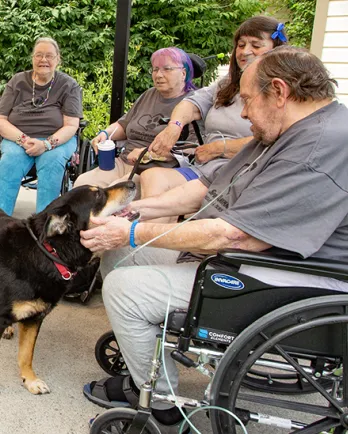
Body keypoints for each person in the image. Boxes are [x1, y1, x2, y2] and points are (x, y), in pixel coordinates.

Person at [81, 46, 348, 432]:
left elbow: (236, 235)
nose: (242, 113)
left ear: (279, 91)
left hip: (287, 278)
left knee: (124, 287)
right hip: (249, 261)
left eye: (249, 100)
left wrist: (134, 231)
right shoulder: (280, 132)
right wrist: (138, 212)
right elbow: (206, 188)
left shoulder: (318, 147)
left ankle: (163, 405)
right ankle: (148, 366)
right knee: (119, 253)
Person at [140, 16, 287, 213]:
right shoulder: (226, 85)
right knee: (152, 177)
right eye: (241, 45)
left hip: (242, 173)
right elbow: (191, 103)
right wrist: (173, 128)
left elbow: (278, 140)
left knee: (163, 203)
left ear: (277, 48)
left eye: (256, 45)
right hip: (206, 167)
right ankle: (148, 239)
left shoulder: (282, 93)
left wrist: (219, 148)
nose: (245, 51)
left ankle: (147, 237)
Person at [73, 47, 196, 190]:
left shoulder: (193, 104)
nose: (159, 75)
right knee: (82, 184)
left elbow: (190, 150)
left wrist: (148, 154)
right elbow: (124, 125)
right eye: (155, 69)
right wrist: (105, 134)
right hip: (124, 161)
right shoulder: (149, 94)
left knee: (112, 194)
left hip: (153, 170)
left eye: (167, 69)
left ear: (183, 73)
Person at [0, 37, 82, 215]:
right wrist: (24, 140)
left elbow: (71, 124)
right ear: (32, 58)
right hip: (18, 139)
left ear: (58, 59)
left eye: (49, 56)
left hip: (56, 140)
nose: (43, 60)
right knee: (10, 160)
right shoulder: (17, 81)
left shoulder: (68, 85)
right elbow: (1, 119)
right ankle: (2, 219)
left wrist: (46, 144)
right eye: (39, 55)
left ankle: (44, 223)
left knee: (52, 160)